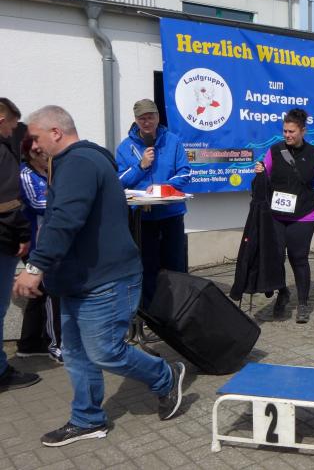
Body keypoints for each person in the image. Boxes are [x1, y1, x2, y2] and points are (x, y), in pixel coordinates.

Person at [13, 105, 185, 447]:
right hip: (77, 279)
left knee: (105, 352)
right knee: (76, 354)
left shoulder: (78, 162)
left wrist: (35, 267)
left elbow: (64, 220)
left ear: (56, 132)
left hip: (106, 280)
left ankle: (165, 375)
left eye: (35, 137)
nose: (33, 145)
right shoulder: (75, 161)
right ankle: (87, 419)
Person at [254, 108, 314, 323]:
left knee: (298, 258)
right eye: (285, 131)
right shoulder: (274, 150)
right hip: (276, 216)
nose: (287, 135)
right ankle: (282, 293)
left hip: (303, 216)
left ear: (303, 131)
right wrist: (260, 170)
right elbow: (265, 173)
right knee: (275, 257)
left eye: (291, 131)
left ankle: (303, 304)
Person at [116, 99, 191, 309]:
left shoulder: (173, 141)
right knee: (147, 266)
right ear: (136, 120)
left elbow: (185, 173)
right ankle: (150, 311)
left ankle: (177, 310)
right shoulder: (125, 147)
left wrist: (162, 188)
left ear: (158, 117)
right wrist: (141, 166)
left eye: (150, 117)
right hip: (143, 218)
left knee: (175, 265)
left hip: (171, 214)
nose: (147, 122)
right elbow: (118, 181)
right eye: (142, 119)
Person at [0, 97, 39, 392]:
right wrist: (24, 235)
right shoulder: (2, 153)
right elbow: (10, 203)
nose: (14, 130)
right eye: (13, 125)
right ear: (2, 119)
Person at [16, 135, 62, 363]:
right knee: (51, 293)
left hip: (48, 242)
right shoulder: (25, 174)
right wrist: (63, 202)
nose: (44, 154)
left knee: (39, 293)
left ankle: (30, 343)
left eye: (44, 149)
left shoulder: (49, 172)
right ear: (29, 154)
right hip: (36, 244)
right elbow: (37, 204)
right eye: (37, 151)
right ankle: (56, 345)